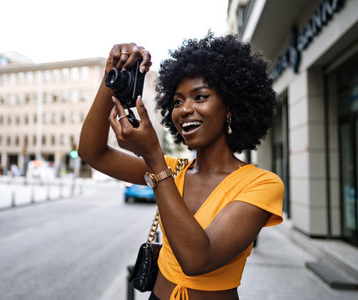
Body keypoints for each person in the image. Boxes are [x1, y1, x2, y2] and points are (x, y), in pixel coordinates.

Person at [78, 31, 284, 300]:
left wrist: (153, 156)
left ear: (231, 107)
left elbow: (197, 260)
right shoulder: (174, 170)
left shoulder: (261, 184)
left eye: (199, 97)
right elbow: (93, 153)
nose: (184, 109)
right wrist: (112, 77)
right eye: (177, 101)